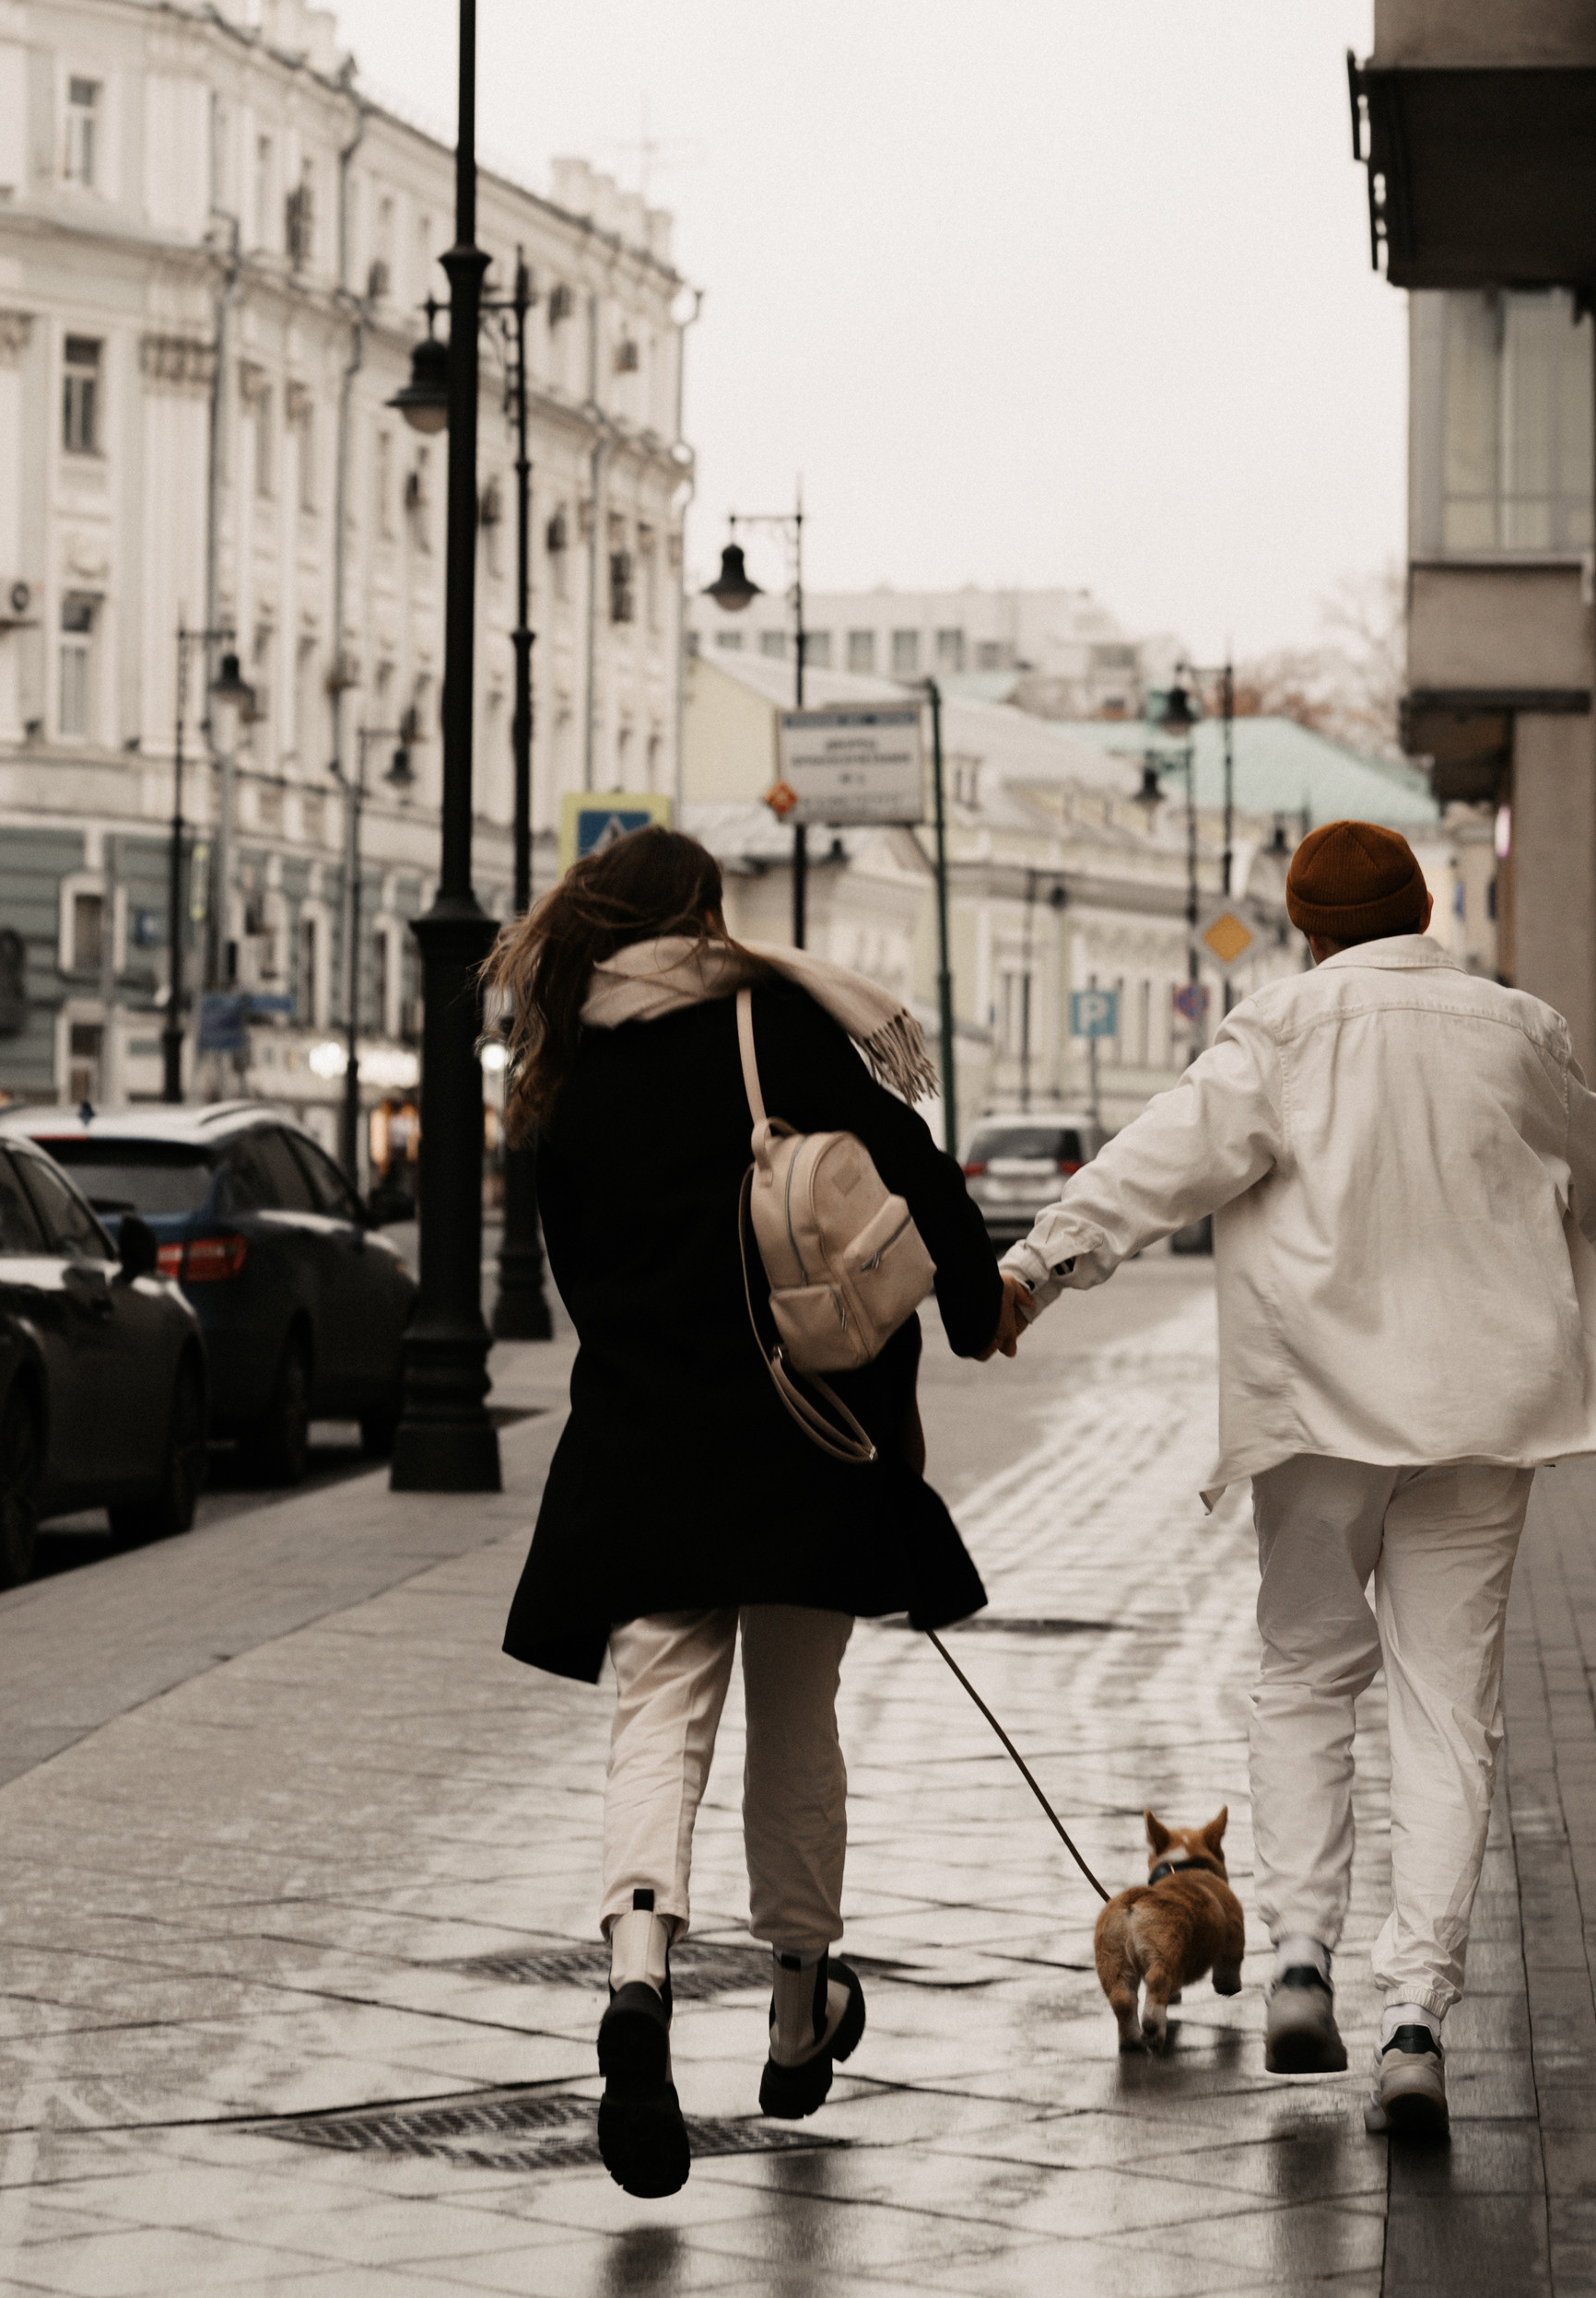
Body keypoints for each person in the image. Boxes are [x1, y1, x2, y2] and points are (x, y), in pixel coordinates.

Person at [992, 818, 1596, 2142]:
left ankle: (1302, 1959)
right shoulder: (1517, 1029)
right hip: (1483, 1411)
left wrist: (1039, 1267)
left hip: (1318, 1411)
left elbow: (1164, 1157)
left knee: (1306, 1676)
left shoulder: (1276, 1034)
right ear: (1425, 909)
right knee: (1448, 1715)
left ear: (1304, 929)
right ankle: (1415, 2022)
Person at [490, 826, 1003, 2198]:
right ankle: (794, 2003)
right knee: (796, 1717)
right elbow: (907, 1167)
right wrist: (970, 1305)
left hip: (648, 1447)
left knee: (655, 1719)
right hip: (802, 1441)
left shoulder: (570, 1066)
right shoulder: (772, 1027)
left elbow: (576, 1280)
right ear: (704, 917)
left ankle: (640, 1980)